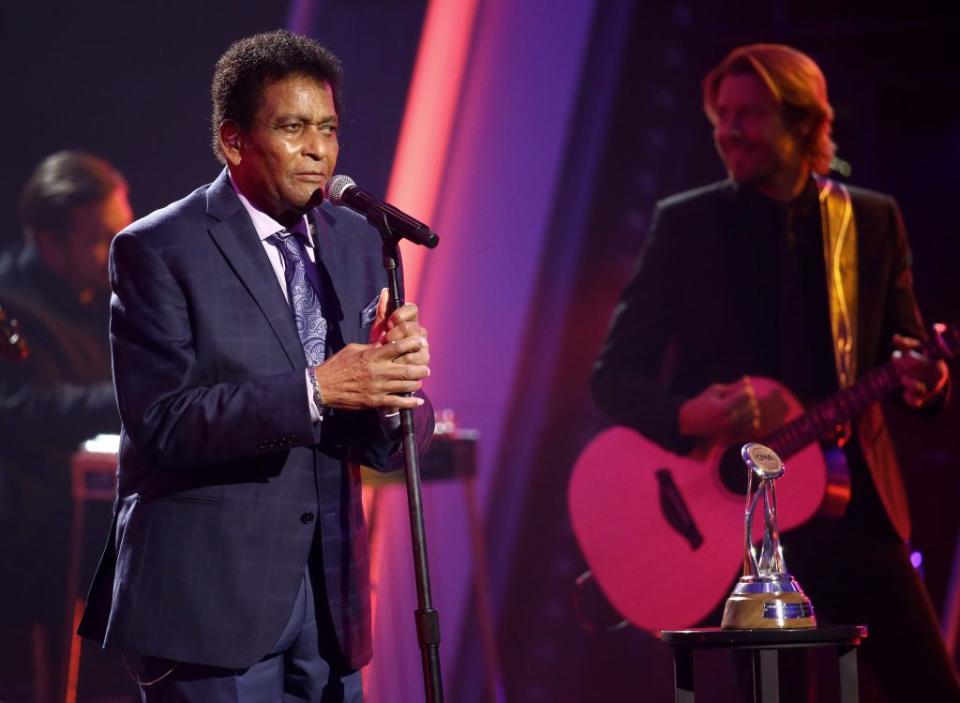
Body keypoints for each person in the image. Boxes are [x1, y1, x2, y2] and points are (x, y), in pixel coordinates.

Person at [591, 44, 958, 701]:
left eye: (750, 114)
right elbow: (614, 375)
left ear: (806, 124)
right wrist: (687, 415)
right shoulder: (686, 224)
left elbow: (908, 357)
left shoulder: (870, 220)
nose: (728, 130)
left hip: (855, 511)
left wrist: (927, 383)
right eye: (722, 114)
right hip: (740, 530)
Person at [78, 30, 434, 701]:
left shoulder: (360, 241)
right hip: (209, 602)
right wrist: (318, 389)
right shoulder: (159, 248)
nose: (318, 150)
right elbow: (161, 423)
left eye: (328, 128)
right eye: (294, 128)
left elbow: (393, 447)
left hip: (332, 600)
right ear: (234, 140)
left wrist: (392, 388)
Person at [0, 151, 131, 697]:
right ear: (47, 241)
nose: (117, 253)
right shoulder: (8, 304)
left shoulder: (112, 297)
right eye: (100, 238)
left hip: (104, 546)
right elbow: (24, 409)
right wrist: (138, 395)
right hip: (33, 553)